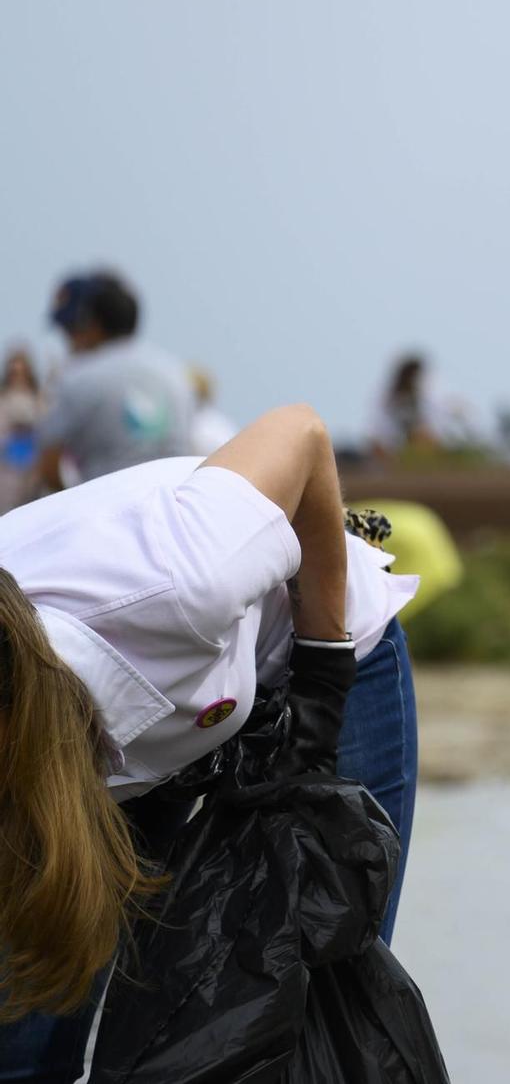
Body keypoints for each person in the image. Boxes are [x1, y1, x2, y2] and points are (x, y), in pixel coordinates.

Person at [0, 405, 420, 1082]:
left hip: (314, 653)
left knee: (307, 984)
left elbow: (304, 436)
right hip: (129, 718)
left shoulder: (180, 580)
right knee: (31, 1017)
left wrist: (321, 685)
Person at [36, 271, 196, 490]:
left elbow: (48, 462)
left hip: (105, 507)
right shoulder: (175, 373)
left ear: (91, 324)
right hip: (170, 505)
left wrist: (72, 499)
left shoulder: (78, 377)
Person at [0, 348, 43, 514]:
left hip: (33, 470)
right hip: (7, 470)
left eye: (21, 372)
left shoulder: (38, 399)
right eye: (14, 372)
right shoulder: (3, 400)